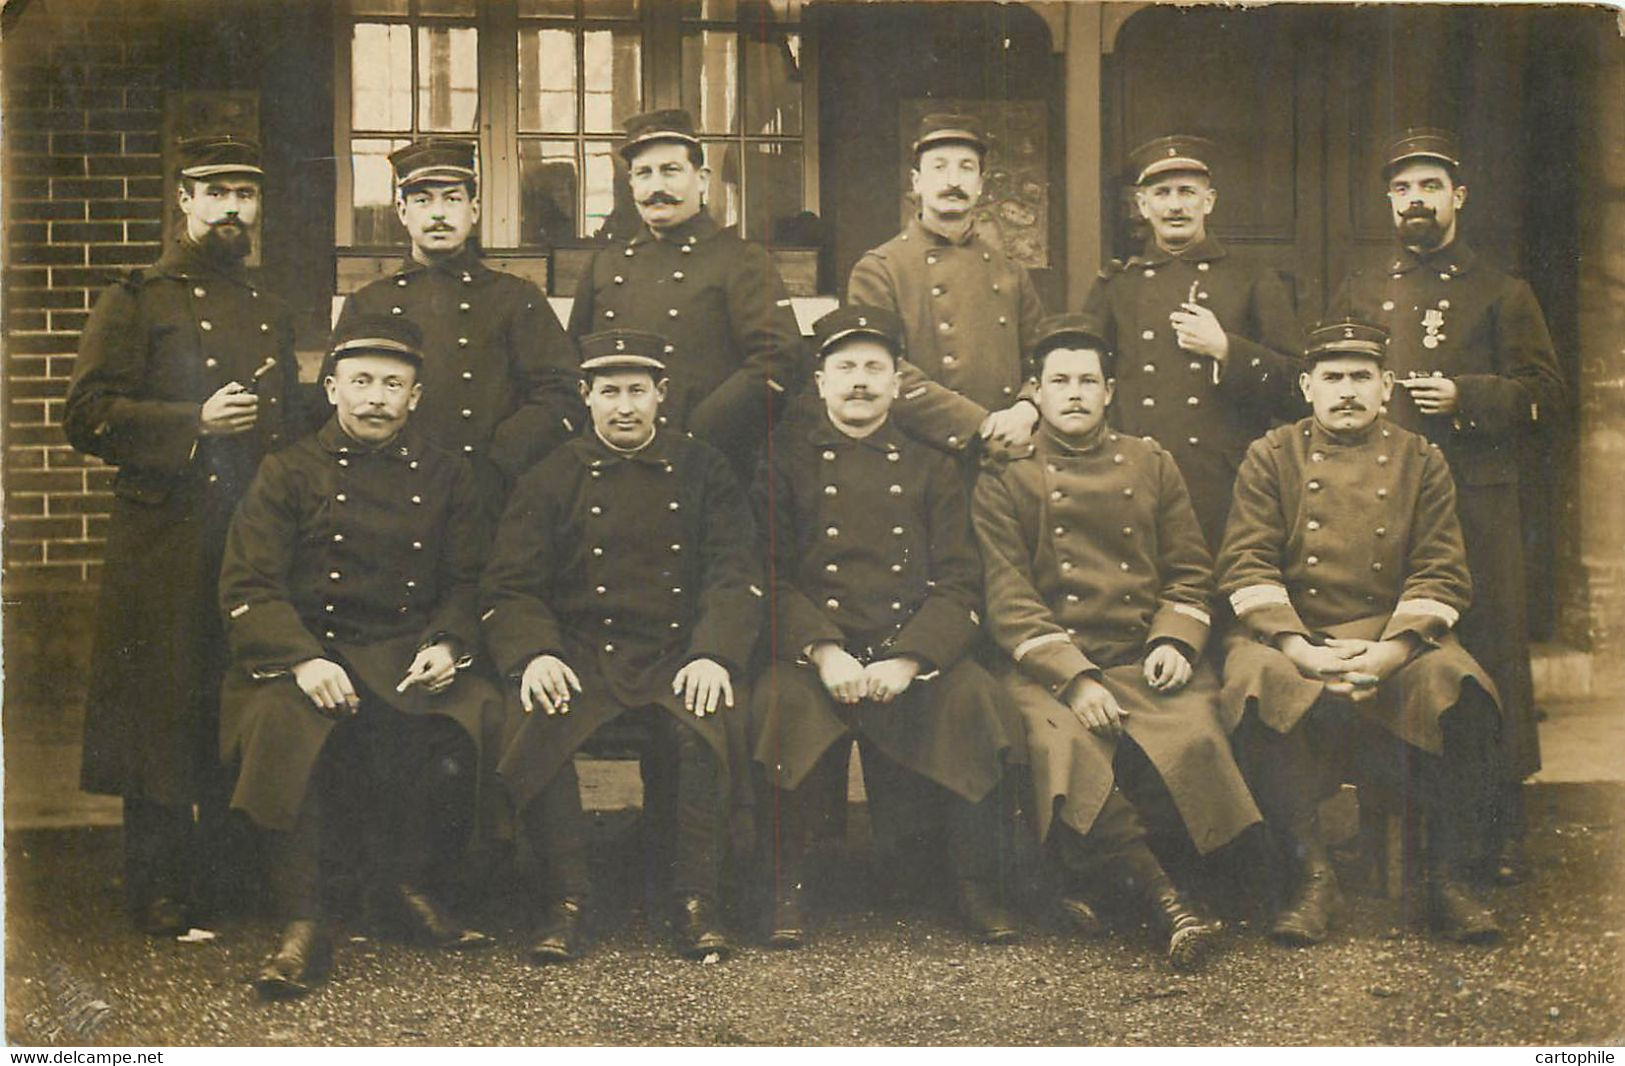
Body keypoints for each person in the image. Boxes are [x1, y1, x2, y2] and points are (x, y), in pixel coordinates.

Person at [62, 135, 304, 935]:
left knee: (234, 702)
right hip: (163, 536)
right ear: (185, 202)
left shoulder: (270, 310)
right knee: (161, 707)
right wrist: (191, 421)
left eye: (247, 192)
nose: (234, 207)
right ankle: (158, 889)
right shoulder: (138, 297)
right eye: (217, 191)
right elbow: (86, 416)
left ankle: (226, 880)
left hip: (248, 537)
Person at [219, 315, 498, 998]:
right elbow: (249, 583)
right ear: (332, 388)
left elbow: (469, 578)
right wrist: (303, 660)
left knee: (477, 714)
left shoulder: (446, 474)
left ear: (415, 397)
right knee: (284, 725)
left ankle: (404, 885)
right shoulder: (285, 472)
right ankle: (302, 923)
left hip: (404, 648)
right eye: (362, 382)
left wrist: (449, 642)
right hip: (304, 651)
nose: (376, 398)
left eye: (392, 384)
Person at [972, 314, 1257, 970]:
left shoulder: (1149, 461)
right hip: (1047, 666)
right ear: (1034, 393)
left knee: (1193, 740)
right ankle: (1167, 907)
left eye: (1087, 381)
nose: (1073, 392)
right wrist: (1073, 676)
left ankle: (1099, 883)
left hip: (1141, 655)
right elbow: (1007, 597)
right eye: (1058, 380)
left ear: (1108, 393)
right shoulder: (1004, 476)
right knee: (1063, 743)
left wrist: (1176, 642)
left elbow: (1189, 568)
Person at [1217, 319, 1505, 945]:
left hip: (1394, 638)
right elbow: (1247, 564)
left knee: (1462, 687)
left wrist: (1390, 652)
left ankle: (1444, 878)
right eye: (1332, 377)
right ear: (1306, 387)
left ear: (1386, 386)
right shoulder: (1270, 456)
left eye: (1361, 377)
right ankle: (1311, 878)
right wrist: (1300, 650)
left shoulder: (1422, 460)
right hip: (1294, 636)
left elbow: (1441, 569)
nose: (1346, 391)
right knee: (1255, 683)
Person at [1327, 128, 1566, 882]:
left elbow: (1548, 394)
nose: (1415, 201)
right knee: (1386, 644)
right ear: (1388, 201)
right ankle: (1380, 826)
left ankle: (1491, 831)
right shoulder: (1363, 290)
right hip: (1383, 495)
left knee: (1484, 656)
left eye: (1429, 187)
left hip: (1474, 501)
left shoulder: (1501, 290)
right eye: (1402, 189)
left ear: (1456, 196)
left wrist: (1470, 396)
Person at [481, 329, 763, 964]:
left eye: (638, 390)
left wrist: (714, 651)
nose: (625, 406)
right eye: (609, 391)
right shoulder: (551, 476)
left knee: (702, 725)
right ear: (586, 397)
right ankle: (567, 898)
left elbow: (734, 570)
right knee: (541, 711)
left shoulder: (703, 468)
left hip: (676, 649)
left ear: (662, 395)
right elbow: (510, 583)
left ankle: (695, 898)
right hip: (581, 651)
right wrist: (535, 654)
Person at [750, 305, 1025, 948]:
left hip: (905, 650)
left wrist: (908, 659)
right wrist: (823, 652)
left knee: (976, 700)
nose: (860, 381)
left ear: (898, 383)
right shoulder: (783, 460)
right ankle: (784, 885)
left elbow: (960, 581)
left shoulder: (932, 465)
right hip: (818, 652)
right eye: (845, 367)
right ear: (819, 382)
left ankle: (974, 882)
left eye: (875, 367)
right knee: (777, 706)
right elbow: (767, 574)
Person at [335, 137, 582, 514]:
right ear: (402, 211)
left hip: (490, 492)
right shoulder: (368, 303)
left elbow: (561, 392)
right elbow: (334, 405)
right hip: (391, 489)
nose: (438, 214)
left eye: (452, 199)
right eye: (422, 201)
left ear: (475, 209)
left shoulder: (515, 298)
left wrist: (501, 456)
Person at [1082, 135, 1303, 549]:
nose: (1175, 205)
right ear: (1143, 206)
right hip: (1135, 479)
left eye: (1187, 192)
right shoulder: (1118, 284)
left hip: (1227, 484)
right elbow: (1086, 377)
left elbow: (1300, 389)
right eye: (1162, 193)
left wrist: (1227, 350)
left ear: (1210, 201)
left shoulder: (1252, 278)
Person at [567, 110, 804, 475]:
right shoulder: (605, 264)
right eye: (643, 174)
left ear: (703, 179)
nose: (656, 187)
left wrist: (698, 432)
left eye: (670, 171)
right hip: (615, 461)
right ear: (630, 185)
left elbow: (776, 360)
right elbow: (574, 362)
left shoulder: (740, 260)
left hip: (708, 460)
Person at [846, 113, 1047, 460]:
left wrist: (1027, 408)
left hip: (1006, 455)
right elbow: (882, 368)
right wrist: (980, 424)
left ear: (981, 184)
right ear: (916, 182)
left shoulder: (1010, 271)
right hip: (919, 460)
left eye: (966, 168)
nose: (953, 180)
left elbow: (1042, 358)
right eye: (939, 167)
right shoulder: (879, 269)